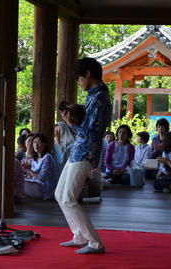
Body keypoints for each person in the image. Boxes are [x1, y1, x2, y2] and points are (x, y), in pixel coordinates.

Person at [55, 57, 111, 254]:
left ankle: (95, 243)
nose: (78, 83)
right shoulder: (93, 96)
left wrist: (70, 123)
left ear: (88, 74)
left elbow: (92, 132)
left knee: (68, 197)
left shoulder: (100, 97)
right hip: (79, 150)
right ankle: (78, 235)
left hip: (86, 152)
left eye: (79, 78)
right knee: (59, 194)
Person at [22, 133, 59, 199]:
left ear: (45, 144)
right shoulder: (34, 158)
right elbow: (33, 177)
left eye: (39, 142)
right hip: (37, 185)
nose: (36, 145)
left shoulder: (47, 157)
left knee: (18, 182)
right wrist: (26, 170)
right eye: (34, 142)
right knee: (20, 179)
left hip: (45, 189)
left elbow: (41, 178)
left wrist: (29, 170)